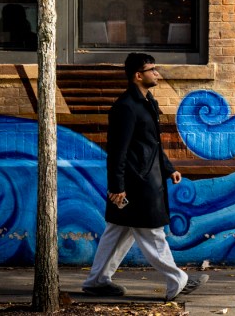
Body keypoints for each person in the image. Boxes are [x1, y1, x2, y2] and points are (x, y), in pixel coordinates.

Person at [82, 53, 208, 300]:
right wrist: (117, 186)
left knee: (117, 232)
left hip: (146, 179)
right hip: (136, 184)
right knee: (152, 232)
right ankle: (177, 281)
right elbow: (117, 151)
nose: (157, 73)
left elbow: (151, 143)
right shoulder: (126, 107)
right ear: (138, 75)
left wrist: (169, 168)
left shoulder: (147, 102)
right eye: (152, 70)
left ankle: (97, 281)